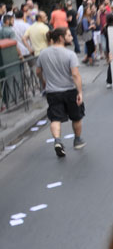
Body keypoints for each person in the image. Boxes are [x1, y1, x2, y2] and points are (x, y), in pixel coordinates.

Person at [36, 27, 86, 156]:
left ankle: (57, 141)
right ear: (61, 38)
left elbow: (38, 71)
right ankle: (77, 140)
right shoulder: (70, 54)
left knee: (55, 118)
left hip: (53, 92)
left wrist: (44, 81)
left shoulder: (43, 53)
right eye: (69, 35)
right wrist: (80, 92)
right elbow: (75, 75)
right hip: (70, 91)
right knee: (76, 117)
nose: (71, 37)